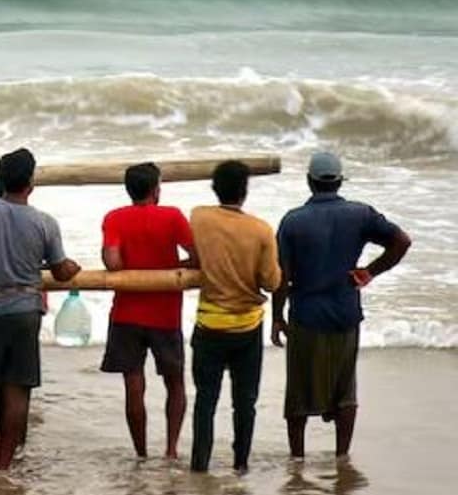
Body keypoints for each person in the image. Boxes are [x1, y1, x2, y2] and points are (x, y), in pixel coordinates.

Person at [272, 152, 411, 459]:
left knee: (298, 393)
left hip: (306, 315)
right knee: (345, 390)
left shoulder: (293, 221)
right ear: (338, 182)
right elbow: (402, 241)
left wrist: (277, 318)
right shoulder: (360, 214)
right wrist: (370, 271)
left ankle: (298, 458)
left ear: (309, 182)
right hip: (345, 313)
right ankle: (341, 457)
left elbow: (282, 276)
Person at [0, 148, 80, 470]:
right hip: (25, 312)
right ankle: (5, 463)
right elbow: (61, 270)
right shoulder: (45, 222)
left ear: (1, 180)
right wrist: (72, 268)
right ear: (31, 183)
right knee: (17, 389)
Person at [188, 161, 281, 473]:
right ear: (245, 191)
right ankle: (240, 464)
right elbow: (271, 282)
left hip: (209, 323)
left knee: (206, 401)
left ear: (215, 189)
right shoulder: (261, 230)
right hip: (246, 326)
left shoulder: (199, 217)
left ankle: (200, 464)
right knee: (244, 403)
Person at [100, 161, 197, 460]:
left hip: (126, 312)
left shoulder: (114, 217)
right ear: (156, 189)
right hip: (165, 313)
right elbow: (197, 256)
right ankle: (170, 450)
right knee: (175, 382)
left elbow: (113, 263)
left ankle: (141, 453)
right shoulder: (172, 216)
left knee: (133, 384)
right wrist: (173, 268)